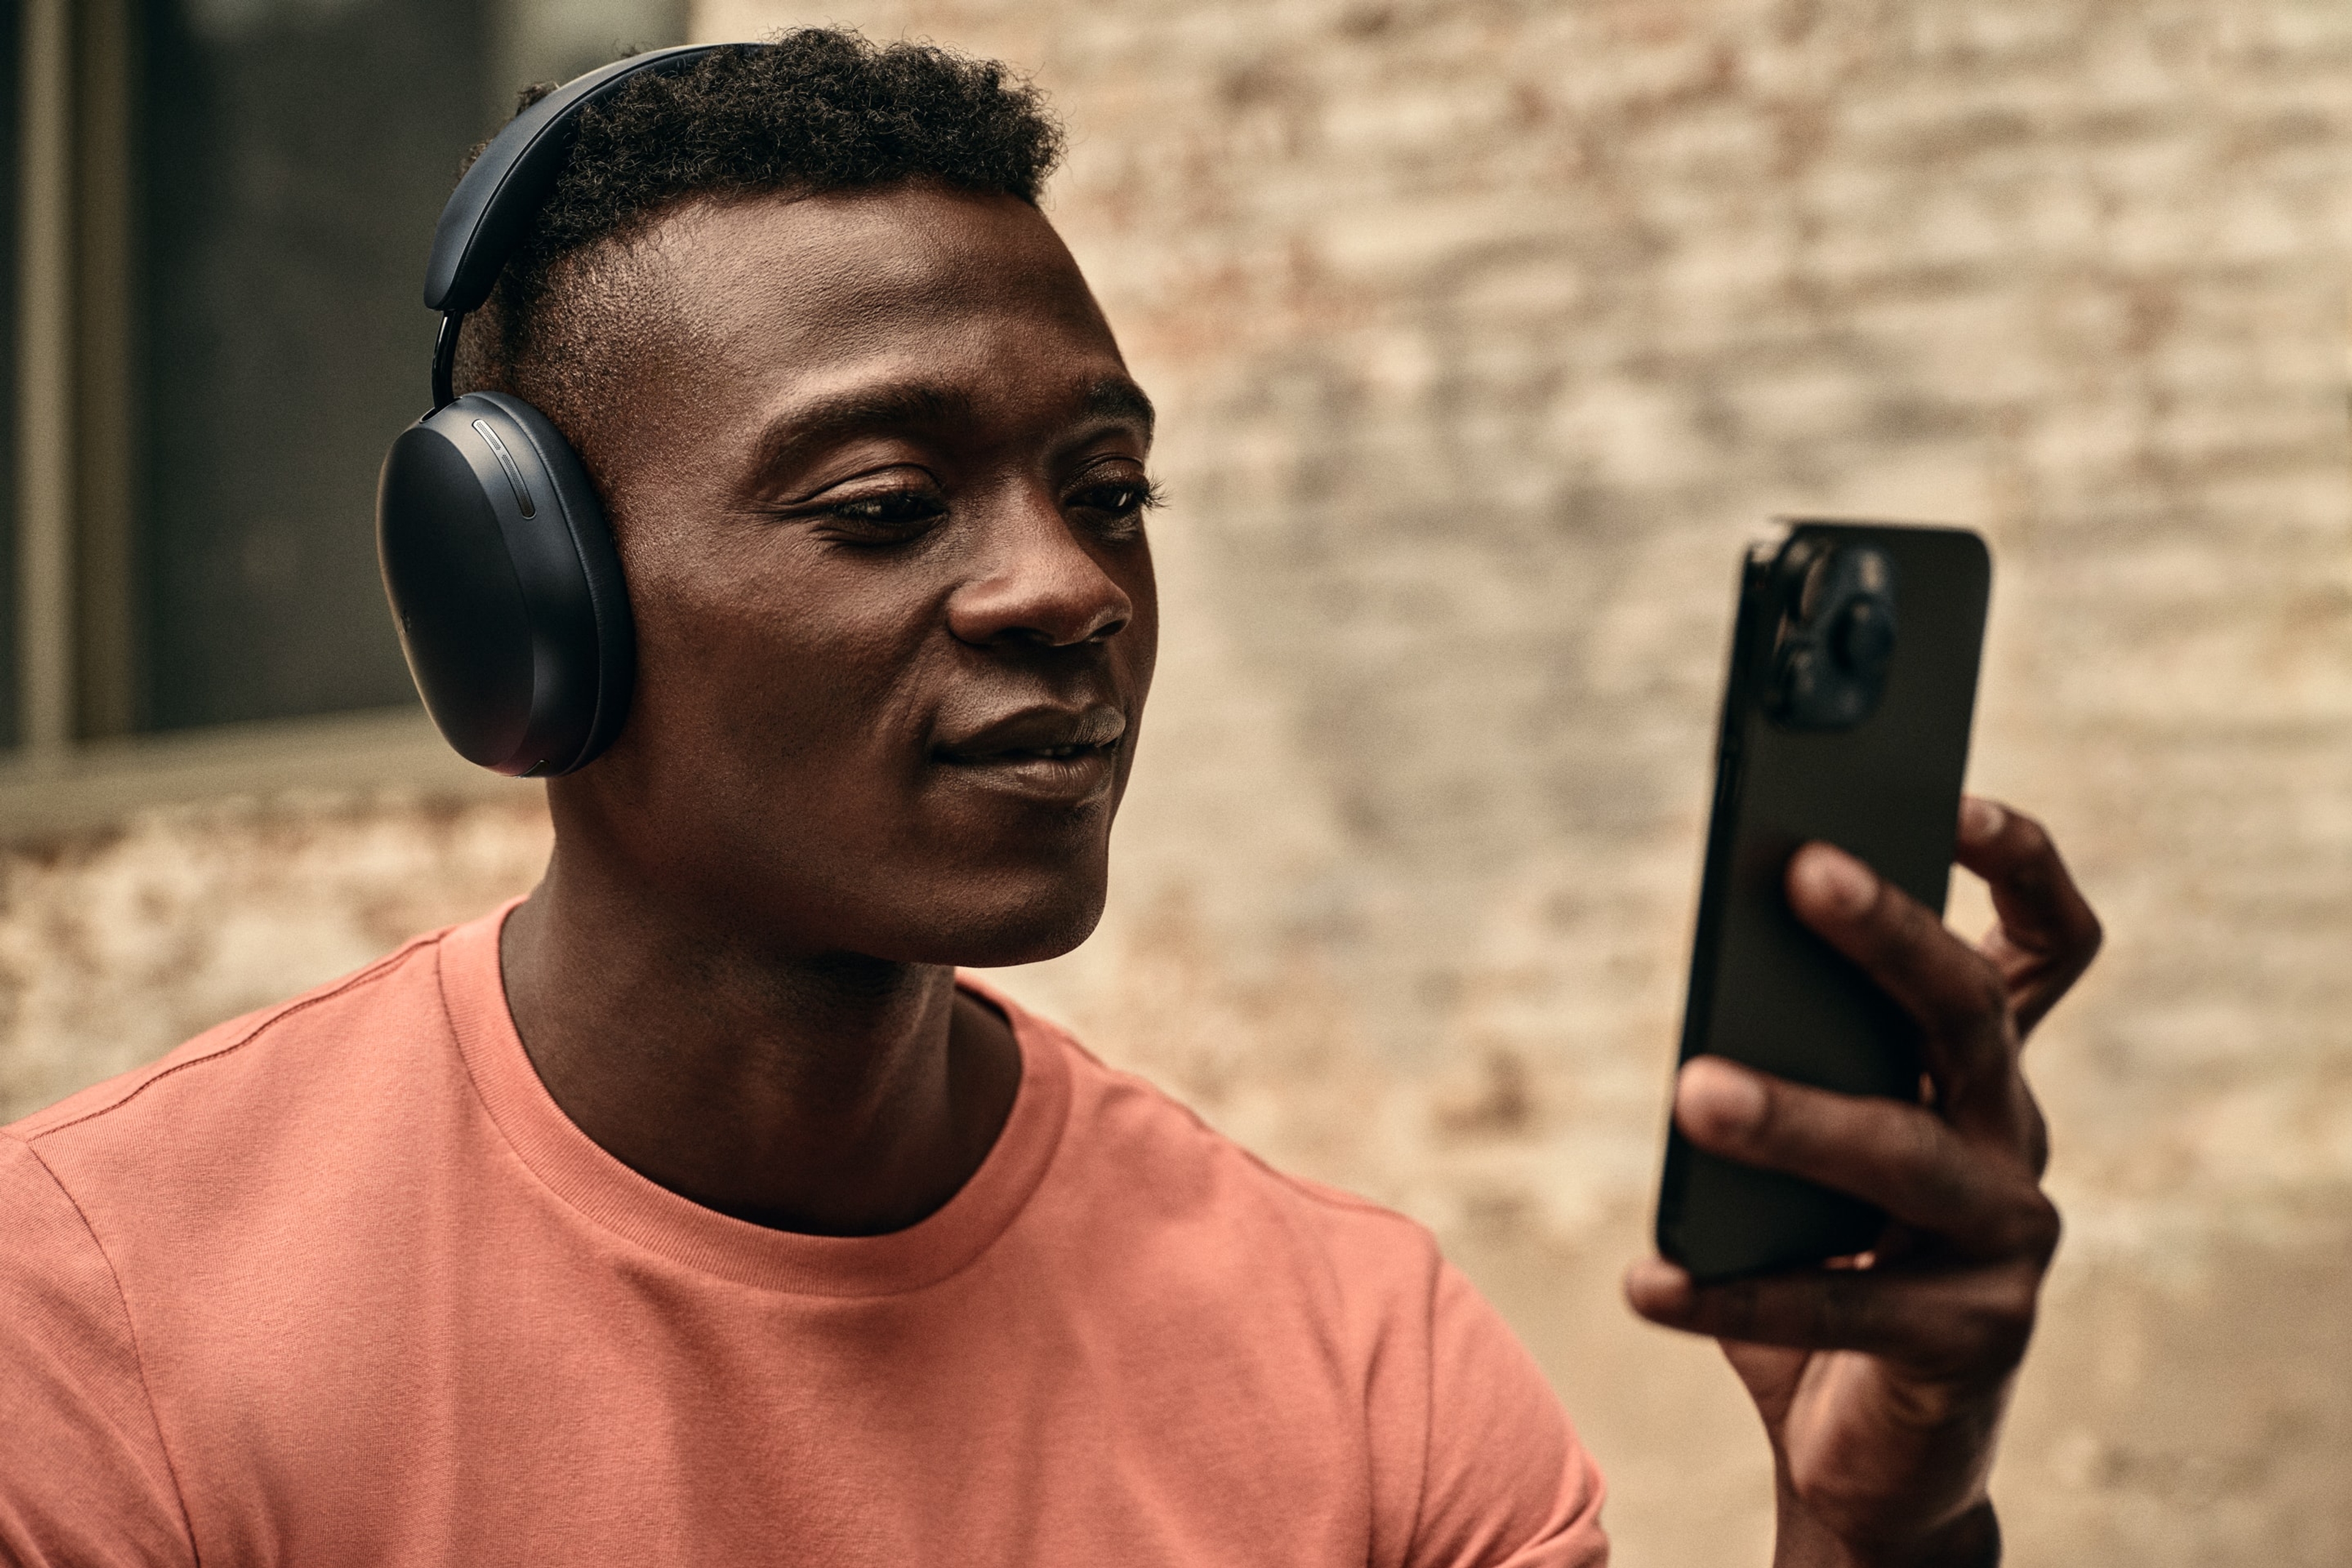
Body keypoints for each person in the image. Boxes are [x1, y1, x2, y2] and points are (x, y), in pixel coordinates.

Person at [0, 32, 2100, 1567]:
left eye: (1109, 493)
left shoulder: (1363, 1369)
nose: (1068, 588)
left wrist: (1882, 1541)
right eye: (889, 504)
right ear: (520, 610)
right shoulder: (98, 1323)